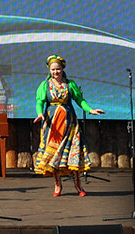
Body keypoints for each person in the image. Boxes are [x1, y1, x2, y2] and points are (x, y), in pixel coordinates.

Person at [32, 54, 104, 196]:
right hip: (53, 125)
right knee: (55, 155)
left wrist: (90, 110)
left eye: (57, 69)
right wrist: (40, 113)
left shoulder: (70, 84)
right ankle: (57, 184)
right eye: (53, 70)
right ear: (49, 70)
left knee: (73, 153)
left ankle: (78, 185)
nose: (55, 72)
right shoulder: (44, 85)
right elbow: (39, 102)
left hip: (69, 124)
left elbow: (79, 100)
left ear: (62, 69)